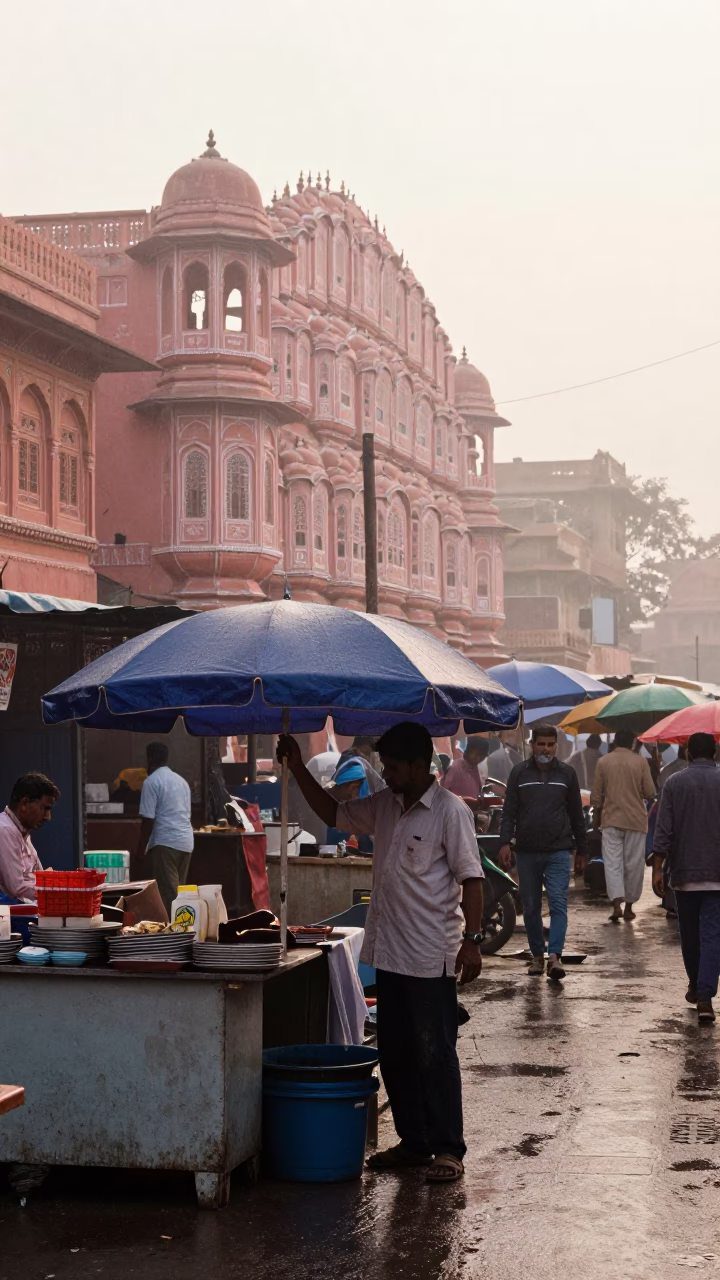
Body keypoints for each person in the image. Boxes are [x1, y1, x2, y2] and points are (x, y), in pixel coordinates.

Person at [278, 721, 484, 1185]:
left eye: (392, 768)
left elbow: (472, 879)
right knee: (394, 1054)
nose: (386, 775)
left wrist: (472, 941)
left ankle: (448, 1149)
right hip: (388, 952)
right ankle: (414, 1143)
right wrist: (295, 769)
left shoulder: (451, 813)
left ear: (418, 765)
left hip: (432, 956)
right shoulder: (385, 806)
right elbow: (333, 812)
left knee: (435, 1055)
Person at [498, 723, 587, 981]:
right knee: (531, 906)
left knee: (558, 903)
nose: (545, 749)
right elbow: (509, 811)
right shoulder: (518, 773)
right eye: (541, 744)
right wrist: (505, 842)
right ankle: (538, 956)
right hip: (526, 851)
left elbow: (576, 815)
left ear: (556, 746)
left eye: (550, 744)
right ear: (532, 745)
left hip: (559, 850)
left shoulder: (567, 774)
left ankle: (555, 957)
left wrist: (582, 849)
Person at [652, 732, 720, 1023]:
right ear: (715, 754)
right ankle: (704, 997)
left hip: (684, 875)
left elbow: (663, 828)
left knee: (690, 936)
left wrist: (658, 867)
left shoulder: (674, 783)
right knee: (713, 936)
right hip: (718, 876)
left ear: (688, 754)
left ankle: (697, 985)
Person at [590, 729, 655, 922]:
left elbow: (596, 796)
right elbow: (650, 792)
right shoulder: (640, 762)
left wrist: (596, 819)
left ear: (615, 742)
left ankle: (616, 904)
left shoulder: (604, 762)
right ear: (633, 743)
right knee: (633, 864)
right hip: (636, 820)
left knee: (613, 864)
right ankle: (629, 907)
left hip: (611, 820)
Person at [136, 742, 194, 916]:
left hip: (166, 843)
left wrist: (140, 851)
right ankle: (183, 929)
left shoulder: (151, 782)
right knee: (180, 894)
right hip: (186, 842)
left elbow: (148, 820)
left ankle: (175, 935)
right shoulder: (181, 781)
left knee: (170, 895)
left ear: (150, 759)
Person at [0, 773, 59, 902]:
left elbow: (41, 877)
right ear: (24, 803)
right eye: (44, 809)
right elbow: (17, 888)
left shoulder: (21, 832)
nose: (48, 817)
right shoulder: (4, 830)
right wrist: (58, 890)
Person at [441, 737, 489, 810]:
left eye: (482, 756)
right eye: (476, 754)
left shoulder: (477, 769)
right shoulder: (455, 768)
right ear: (469, 751)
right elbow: (443, 793)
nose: (478, 758)